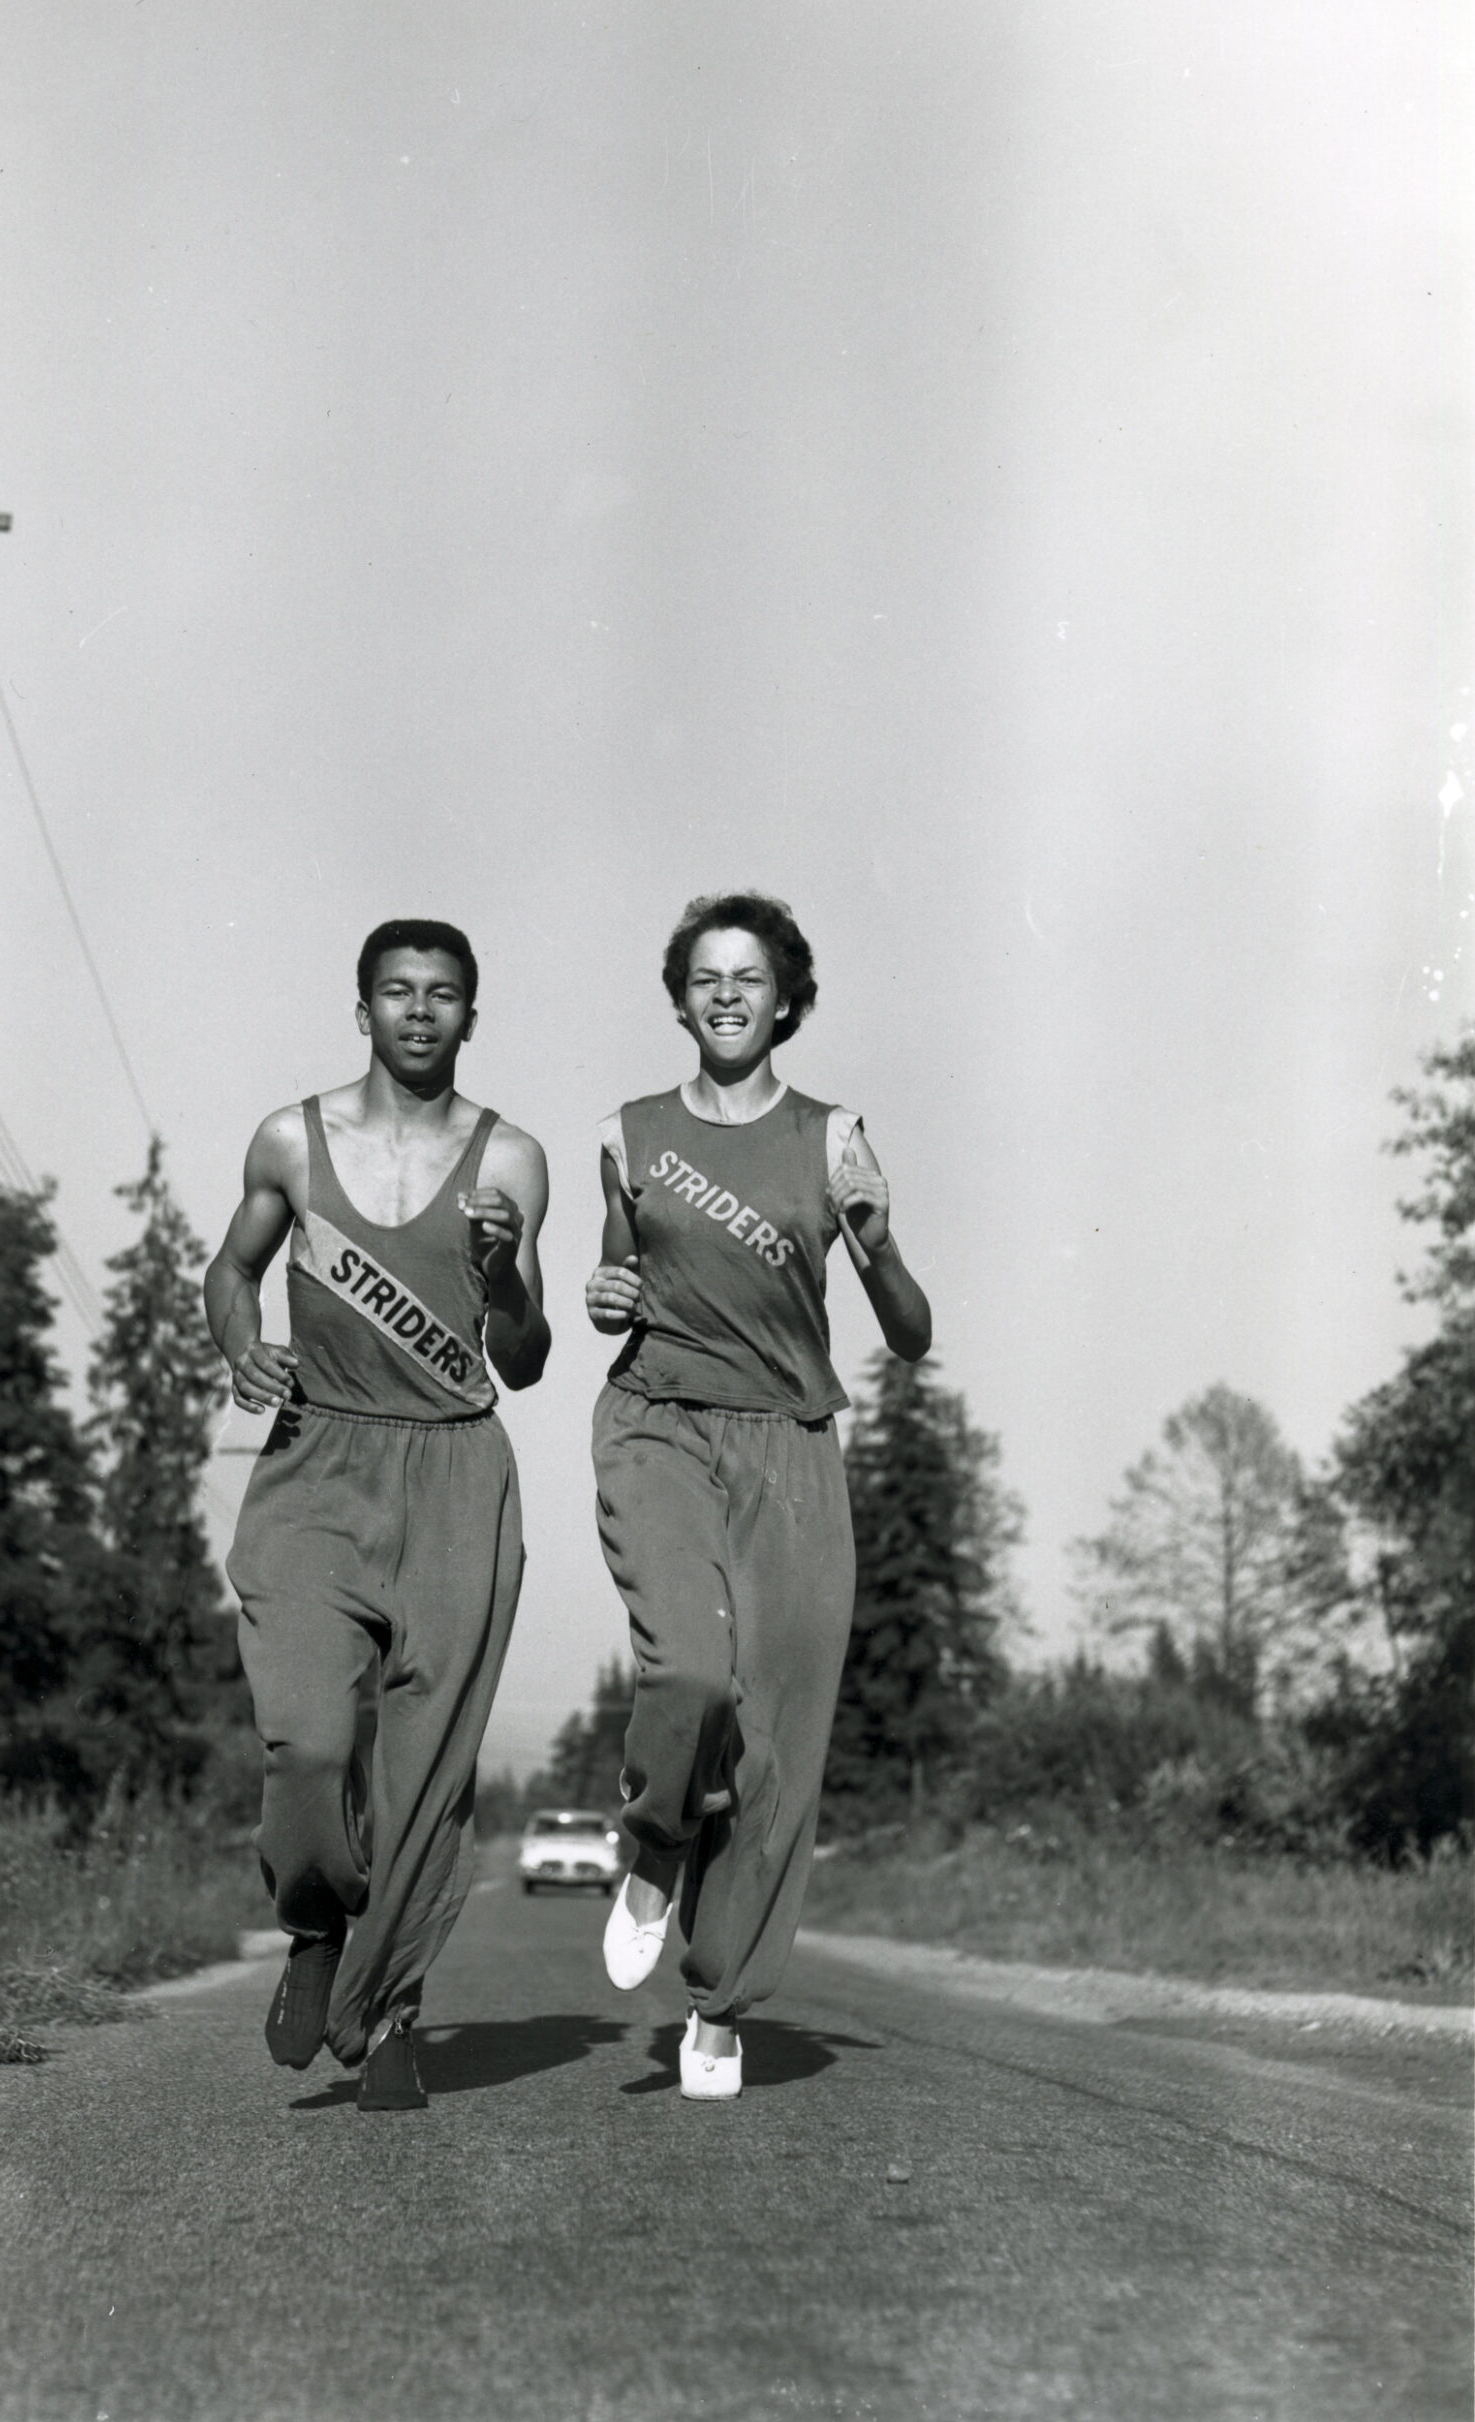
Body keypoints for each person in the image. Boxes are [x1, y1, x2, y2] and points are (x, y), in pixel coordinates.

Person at [585, 893, 931, 2100]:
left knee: (779, 1741)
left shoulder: (835, 1139)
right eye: (706, 977)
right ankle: (656, 1840)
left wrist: (879, 1246)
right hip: (660, 1423)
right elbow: (617, 1279)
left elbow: (912, 1334)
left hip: (789, 1448)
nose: (727, 993)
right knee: (689, 1671)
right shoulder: (627, 1137)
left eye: (751, 975)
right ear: (680, 998)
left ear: (786, 995)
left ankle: (717, 1998)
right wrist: (603, 1294)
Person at [205, 919, 550, 2112]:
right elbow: (230, 1271)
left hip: (456, 1472)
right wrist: (245, 1348)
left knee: (424, 1776)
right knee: (307, 1742)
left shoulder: (510, 1161)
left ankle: (394, 2006)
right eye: (396, 993)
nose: (418, 1012)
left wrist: (502, 1276)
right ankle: (313, 1927)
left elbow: (532, 1353)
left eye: (443, 995)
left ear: (469, 1014)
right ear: (362, 1010)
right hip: (318, 1461)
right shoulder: (292, 1142)